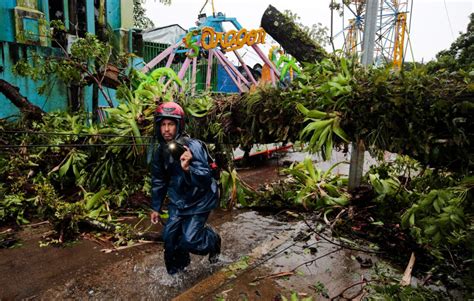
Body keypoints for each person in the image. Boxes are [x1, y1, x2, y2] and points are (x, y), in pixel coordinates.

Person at [150, 101, 221, 275]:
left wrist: (189, 168)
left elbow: (205, 178)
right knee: (169, 238)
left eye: (171, 124)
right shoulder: (160, 151)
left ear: (179, 125)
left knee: (191, 240)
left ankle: (213, 240)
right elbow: (159, 180)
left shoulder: (193, 146)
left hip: (200, 199)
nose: (166, 129)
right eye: (163, 124)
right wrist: (155, 207)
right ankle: (177, 273)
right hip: (179, 200)